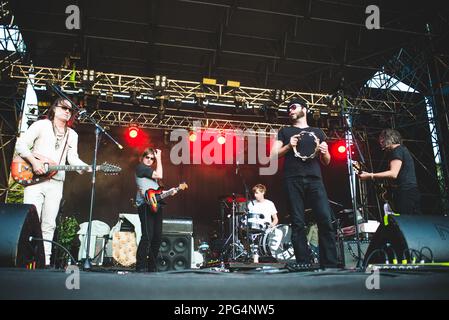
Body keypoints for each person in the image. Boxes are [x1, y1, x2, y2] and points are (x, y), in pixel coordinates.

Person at [15, 97, 90, 266]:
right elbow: (21, 145)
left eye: (70, 110)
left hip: (56, 182)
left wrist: (85, 167)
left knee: (49, 224)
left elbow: (73, 158)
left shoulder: (72, 135)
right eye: (64, 107)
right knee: (30, 221)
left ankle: (45, 261)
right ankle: (23, 259)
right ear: (54, 108)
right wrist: (35, 163)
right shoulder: (41, 125)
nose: (67, 111)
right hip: (35, 181)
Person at [270, 97, 338, 269]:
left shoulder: (318, 131)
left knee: (325, 219)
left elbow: (327, 161)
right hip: (292, 179)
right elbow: (273, 154)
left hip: (315, 179)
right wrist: (287, 147)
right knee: (298, 222)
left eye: (293, 107)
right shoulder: (285, 131)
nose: (290, 111)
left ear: (305, 109)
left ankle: (329, 263)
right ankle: (303, 262)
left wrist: (324, 152)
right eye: (288, 109)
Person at [358, 129, 422, 215]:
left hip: (405, 192)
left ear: (388, 138)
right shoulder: (402, 149)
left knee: (405, 221)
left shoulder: (397, 151)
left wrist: (370, 175)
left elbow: (393, 173)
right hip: (410, 191)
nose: (380, 143)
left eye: (382, 140)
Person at [135, 147, 177, 272]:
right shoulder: (141, 168)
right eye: (147, 157)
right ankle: (141, 266)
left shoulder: (152, 175)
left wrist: (170, 192)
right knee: (147, 236)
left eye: (152, 158)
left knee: (157, 237)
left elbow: (157, 192)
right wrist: (159, 158)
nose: (149, 160)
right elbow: (160, 174)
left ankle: (152, 266)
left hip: (156, 205)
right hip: (145, 205)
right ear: (142, 158)